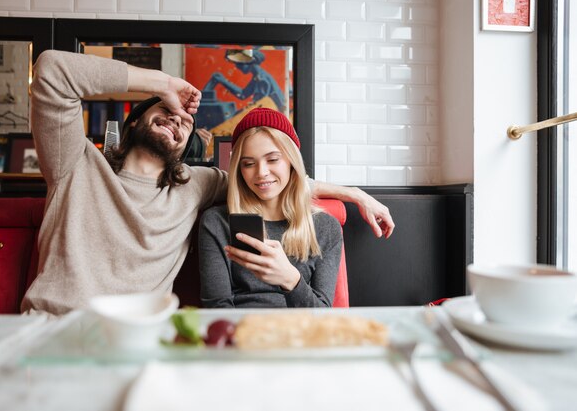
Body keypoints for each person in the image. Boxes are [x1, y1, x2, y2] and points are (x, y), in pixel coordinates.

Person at [21, 49, 394, 315]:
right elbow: (52, 70)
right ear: (133, 122)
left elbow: (270, 182)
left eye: (185, 122)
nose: (177, 119)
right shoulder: (74, 162)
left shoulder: (193, 185)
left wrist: (355, 194)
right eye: (164, 110)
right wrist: (164, 84)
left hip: (136, 338)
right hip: (55, 327)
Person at [199, 108, 342, 308]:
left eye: (273, 159)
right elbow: (217, 308)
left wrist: (290, 280)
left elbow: (321, 317)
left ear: (291, 161)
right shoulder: (217, 222)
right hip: (242, 333)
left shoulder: (326, 227)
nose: (261, 172)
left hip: (301, 334)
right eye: (248, 164)